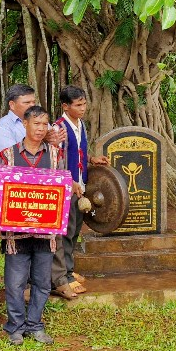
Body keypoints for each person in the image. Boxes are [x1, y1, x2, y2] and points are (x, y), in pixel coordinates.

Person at [0, 106, 65, 345]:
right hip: (17, 232)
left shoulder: (56, 154)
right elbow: (1, 190)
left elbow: (61, 188)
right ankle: (15, 326)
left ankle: (35, 324)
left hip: (47, 231)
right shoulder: (8, 155)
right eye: (36, 123)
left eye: (44, 124)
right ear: (24, 124)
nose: (40, 129)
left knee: (42, 281)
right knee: (15, 282)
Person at [51, 86, 108, 300]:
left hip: (80, 185)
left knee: (75, 230)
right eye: (78, 105)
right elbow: (55, 160)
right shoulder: (59, 128)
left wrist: (92, 159)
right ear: (65, 106)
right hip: (67, 188)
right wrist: (70, 180)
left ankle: (68, 267)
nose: (83, 108)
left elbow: (78, 151)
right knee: (66, 231)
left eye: (84, 104)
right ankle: (64, 276)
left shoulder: (80, 124)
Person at [0, 84, 65, 155]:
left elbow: (52, 149)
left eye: (33, 102)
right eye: (27, 102)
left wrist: (54, 142)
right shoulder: (3, 127)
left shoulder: (41, 120)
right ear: (12, 105)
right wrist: (41, 140)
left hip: (44, 166)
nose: (32, 105)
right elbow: (11, 156)